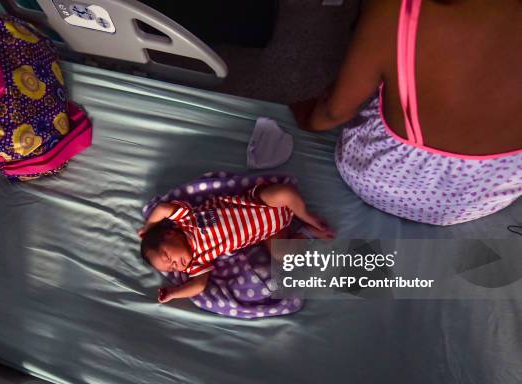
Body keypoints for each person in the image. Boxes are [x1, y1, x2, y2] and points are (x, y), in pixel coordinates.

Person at [291, 0, 522, 225]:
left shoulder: (400, 9)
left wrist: (305, 119)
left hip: (378, 181)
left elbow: (333, 113)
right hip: (474, 203)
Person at [138, 183, 334, 303]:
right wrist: (174, 293)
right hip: (269, 231)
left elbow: (163, 208)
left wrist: (148, 227)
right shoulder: (197, 261)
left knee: (284, 193)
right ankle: (307, 232)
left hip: (259, 202)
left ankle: (306, 216)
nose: (173, 265)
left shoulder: (186, 220)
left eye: (167, 257)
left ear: (169, 235)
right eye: (170, 268)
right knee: (283, 256)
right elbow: (198, 286)